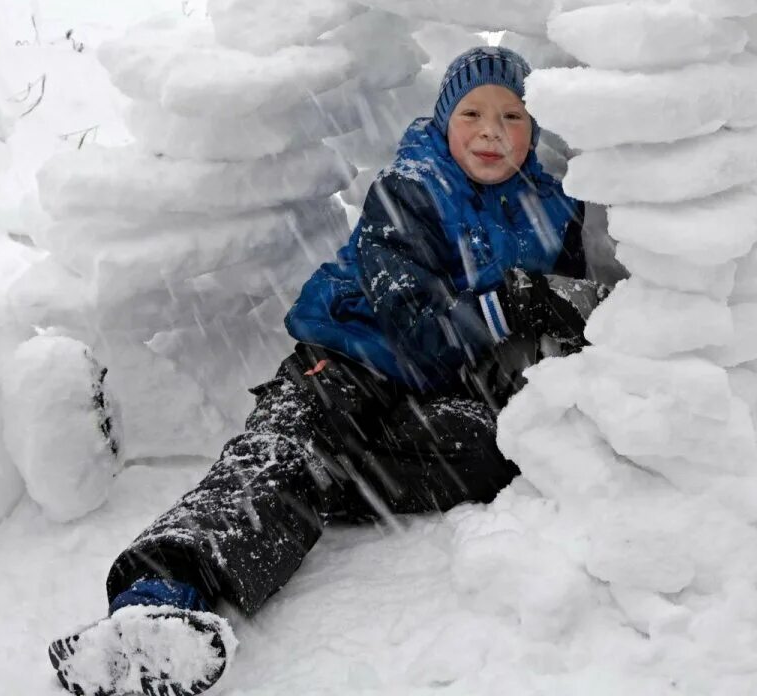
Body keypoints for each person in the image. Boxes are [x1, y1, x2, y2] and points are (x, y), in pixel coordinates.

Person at [48, 46, 606, 696]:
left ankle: (325, 483)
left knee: (501, 451)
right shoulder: (410, 192)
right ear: (445, 121)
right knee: (280, 456)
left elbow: (568, 321)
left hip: (434, 404)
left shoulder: (551, 208)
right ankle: (153, 605)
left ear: (533, 128)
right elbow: (420, 328)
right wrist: (513, 297)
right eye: (472, 113)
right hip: (343, 365)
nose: (490, 132)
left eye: (511, 116)